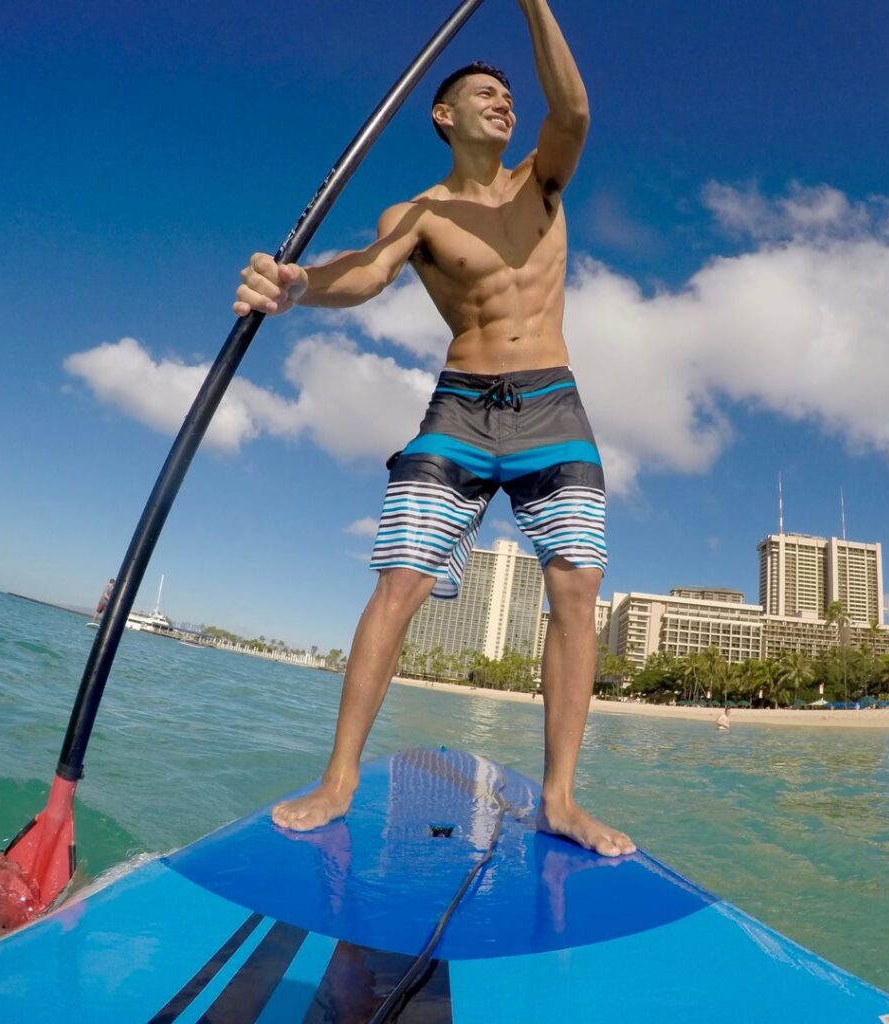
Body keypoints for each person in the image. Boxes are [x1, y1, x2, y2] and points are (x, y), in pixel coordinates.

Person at [234, 0, 634, 857]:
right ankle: (339, 779)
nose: (506, 102)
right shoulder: (416, 216)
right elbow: (364, 275)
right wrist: (298, 285)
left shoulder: (542, 180)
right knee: (399, 586)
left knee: (575, 587)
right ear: (443, 116)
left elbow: (575, 112)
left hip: (552, 405)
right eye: (486, 92)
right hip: (458, 407)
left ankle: (561, 797)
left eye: (508, 95)